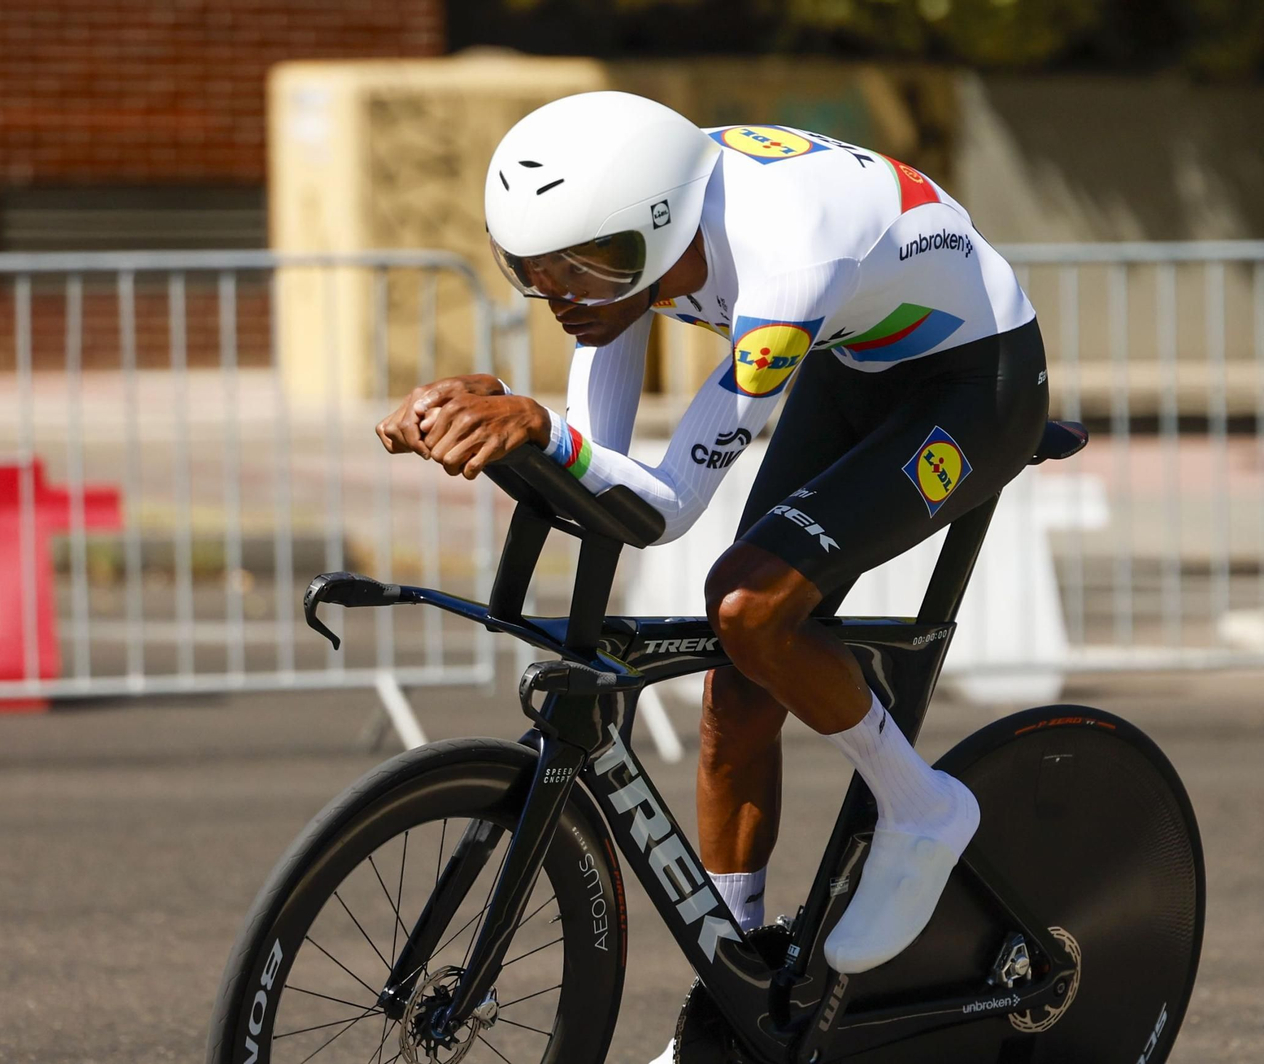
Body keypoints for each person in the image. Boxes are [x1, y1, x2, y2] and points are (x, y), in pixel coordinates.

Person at [375, 90, 1047, 1040]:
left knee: (746, 606)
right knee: (737, 693)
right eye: (534, 273)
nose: (566, 293)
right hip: (854, 363)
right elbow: (599, 469)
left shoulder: (785, 266)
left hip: (974, 386)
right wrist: (503, 423)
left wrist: (537, 428)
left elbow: (665, 510)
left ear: (663, 230)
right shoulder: (637, 240)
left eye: (590, 267)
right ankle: (740, 1005)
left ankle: (924, 806)